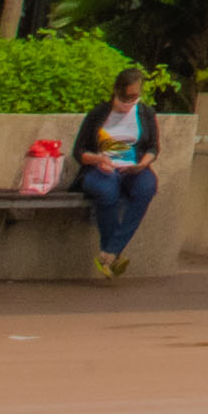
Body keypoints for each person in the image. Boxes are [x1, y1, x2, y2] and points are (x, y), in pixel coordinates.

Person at [74, 67, 161, 280]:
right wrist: (99, 159)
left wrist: (143, 164)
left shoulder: (145, 113)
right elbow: (79, 151)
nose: (129, 102)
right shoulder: (98, 114)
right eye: (125, 97)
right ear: (116, 92)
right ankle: (113, 253)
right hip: (101, 167)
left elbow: (153, 148)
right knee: (107, 191)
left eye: (135, 97)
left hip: (132, 167)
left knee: (146, 187)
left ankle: (110, 251)